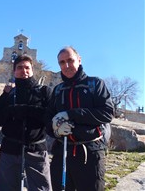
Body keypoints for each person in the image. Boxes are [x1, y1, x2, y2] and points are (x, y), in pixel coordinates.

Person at [45, 47, 114, 191]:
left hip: (90, 154)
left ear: (79, 60)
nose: (67, 66)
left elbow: (107, 113)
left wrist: (72, 114)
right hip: (61, 153)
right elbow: (48, 121)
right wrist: (55, 130)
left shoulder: (95, 84)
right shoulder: (58, 90)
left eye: (70, 60)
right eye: (62, 62)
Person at [0, 54, 53, 191]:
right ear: (14, 71)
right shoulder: (9, 93)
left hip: (36, 150)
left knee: (41, 188)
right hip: (9, 150)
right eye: (19, 68)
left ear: (32, 70)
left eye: (27, 68)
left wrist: (24, 110)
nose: (23, 71)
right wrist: (6, 100)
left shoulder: (44, 92)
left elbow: (50, 117)